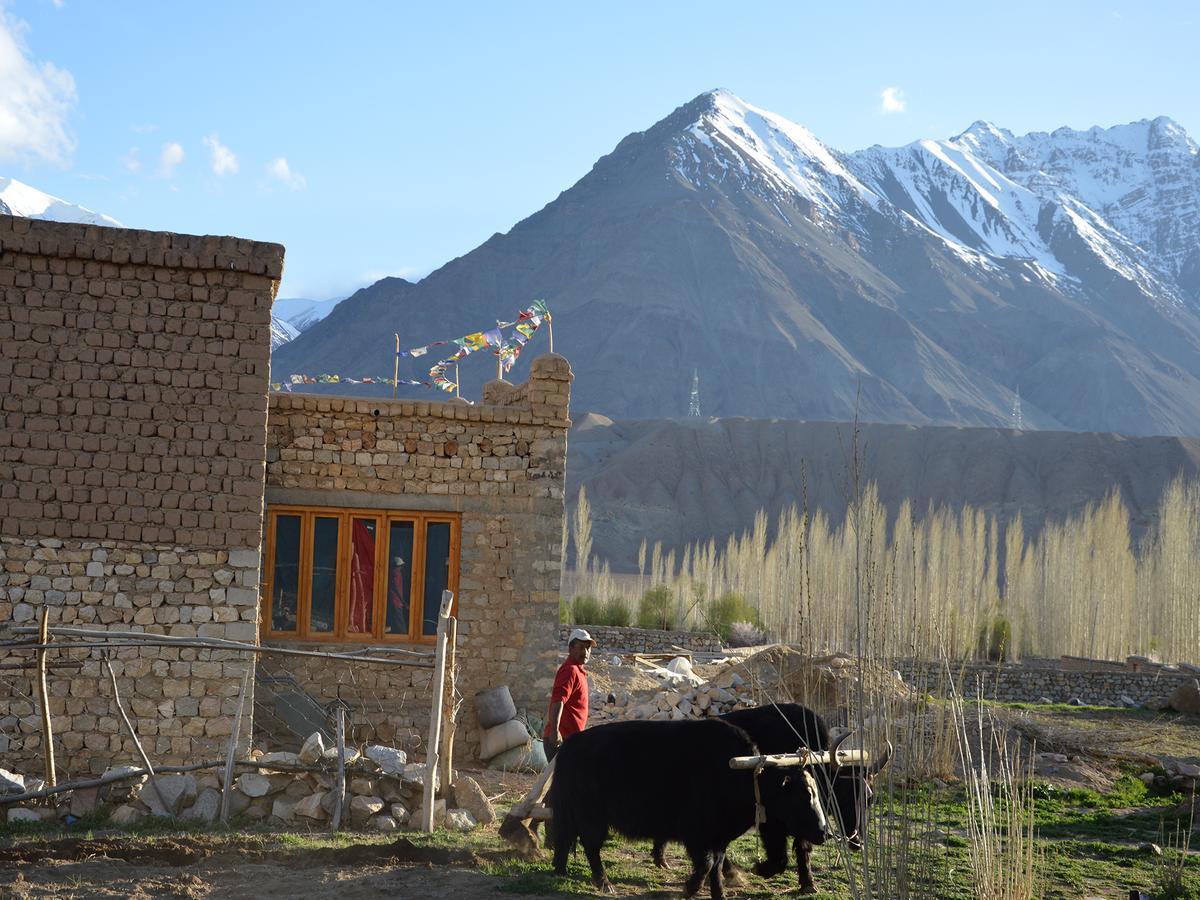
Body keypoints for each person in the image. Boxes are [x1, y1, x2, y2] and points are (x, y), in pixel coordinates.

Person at [543, 628, 595, 761]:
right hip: (561, 740)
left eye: (588, 648)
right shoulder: (570, 671)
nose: (586, 652)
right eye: (581, 647)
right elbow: (558, 701)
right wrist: (555, 732)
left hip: (571, 740)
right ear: (571, 648)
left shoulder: (578, 671)